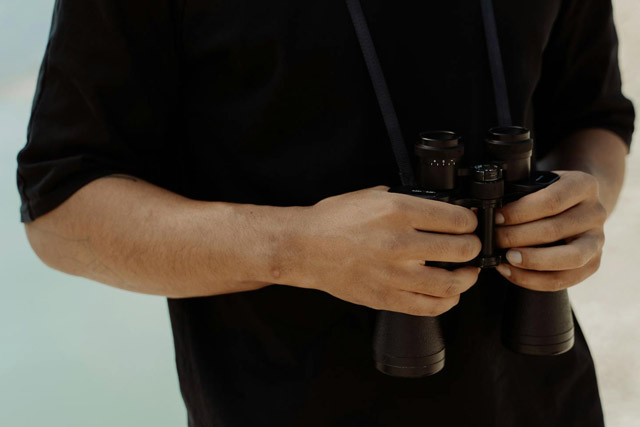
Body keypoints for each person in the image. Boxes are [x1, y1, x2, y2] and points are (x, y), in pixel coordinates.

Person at [17, 0, 634, 426]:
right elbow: (63, 209)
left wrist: (580, 206)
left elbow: (592, 116)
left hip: (543, 399)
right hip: (281, 407)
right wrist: (298, 247)